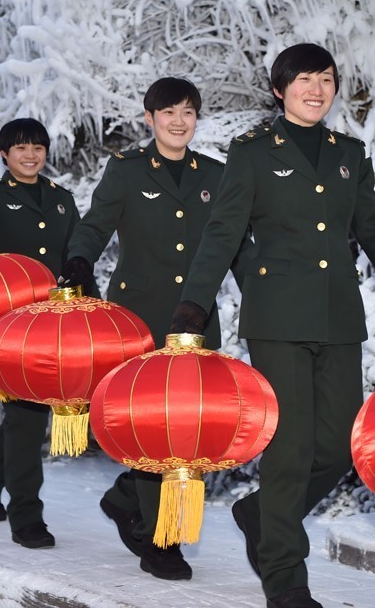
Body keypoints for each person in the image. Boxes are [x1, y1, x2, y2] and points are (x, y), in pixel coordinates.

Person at [172, 44, 375, 608]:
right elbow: (223, 232)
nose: (317, 89)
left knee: (337, 446)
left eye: (327, 79)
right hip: (279, 315)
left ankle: (260, 513)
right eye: (304, 79)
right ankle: (286, 577)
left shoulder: (348, 154)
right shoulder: (253, 152)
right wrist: (195, 303)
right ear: (280, 89)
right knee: (288, 450)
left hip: (339, 317)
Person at [63, 77, 242, 581]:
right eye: (168, 113)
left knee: (194, 428)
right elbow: (96, 225)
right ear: (150, 118)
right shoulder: (126, 171)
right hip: (140, 318)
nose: (178, 121)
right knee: (150, 426)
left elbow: (237, 243)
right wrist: (79, 260)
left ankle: (126, 498)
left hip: (198, 321)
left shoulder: (217, 173)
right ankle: (159, 539)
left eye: (187, 112)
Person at [0, 117, 94, 550]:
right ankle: (26, 516)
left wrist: (93, 310)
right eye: (20, 148)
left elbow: (77, 258)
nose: (30, 155)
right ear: (4, 153)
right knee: (26, 415)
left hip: (56, 324)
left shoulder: (63, 199)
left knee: (26, 413)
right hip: (9, 326)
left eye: (37, 147)